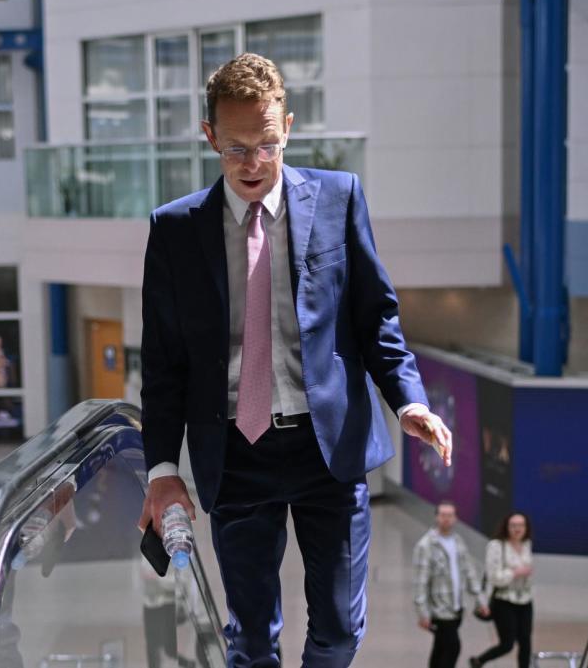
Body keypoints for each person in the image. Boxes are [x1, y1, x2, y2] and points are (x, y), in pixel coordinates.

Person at [136, 53, 453, 668]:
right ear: (209, 137)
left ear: (290, 127)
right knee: (251, 642)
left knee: (337, 631)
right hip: (235, 452)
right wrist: (161, 471)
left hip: (325, 449)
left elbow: (375, 318)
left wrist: (407, 397)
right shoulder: (174, 229)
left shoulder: (340, 198)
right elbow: (165, 362)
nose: (253, 164)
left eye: (267, 144)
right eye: (235, 149)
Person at [414, 501, 486, 668]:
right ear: (436, 517)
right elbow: (420, 582)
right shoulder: (426, 546)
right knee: (453, 647)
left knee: (440, 648)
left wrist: (480, 599)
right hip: (439, 610)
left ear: (455, 519)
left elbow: (469, 572)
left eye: (450, 515)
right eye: (443, 515)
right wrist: (422, 612)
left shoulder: (458, 542)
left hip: (457, 608)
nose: (446, 519)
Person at [470, 512, 533, 668]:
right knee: (507, 643)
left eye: (521, 525)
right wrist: (515, 572)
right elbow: (493, 577)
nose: (517, 529)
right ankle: (479, 660)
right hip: (503, 600)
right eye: (513, 525)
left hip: (525, 599)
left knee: (526, 641)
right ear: (506, 527)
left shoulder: (526, 544)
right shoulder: (496, 546)